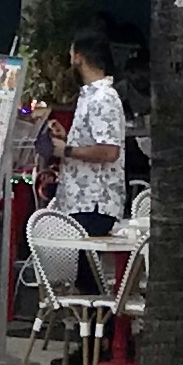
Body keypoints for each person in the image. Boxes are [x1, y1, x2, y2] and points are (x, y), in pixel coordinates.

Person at [53, 31, 129, 249]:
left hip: (93, 202)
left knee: (82, 262)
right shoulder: (89, 96)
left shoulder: (103, 98)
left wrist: (67, 150)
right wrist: (68, 139)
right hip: (79, 200)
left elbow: (109, 151)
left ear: (79, 57)